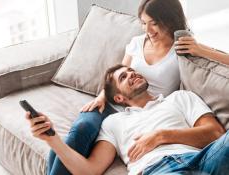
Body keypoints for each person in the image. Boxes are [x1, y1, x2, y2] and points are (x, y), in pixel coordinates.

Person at [47, 0, 229, 174]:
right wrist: (103, 95)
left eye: (154, 23)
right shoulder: (137, 43)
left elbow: (215, 132)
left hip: (159, 113)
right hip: (115, 106)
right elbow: (119, 73)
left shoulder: (180, 55)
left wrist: (201, 50)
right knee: (79, 131)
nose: (147, 30)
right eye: (143, 23)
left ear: (168, 19)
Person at [27, 64, 228, 175]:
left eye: (131, 71)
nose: (132, 74)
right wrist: (51, 139)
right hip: (159, 169)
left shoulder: (181, 97)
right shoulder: (114, 123)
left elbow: (215, 133)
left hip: (205, 158)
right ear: (119, 98)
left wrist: (160, 136)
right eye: (123, 77)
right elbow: (89, 170)